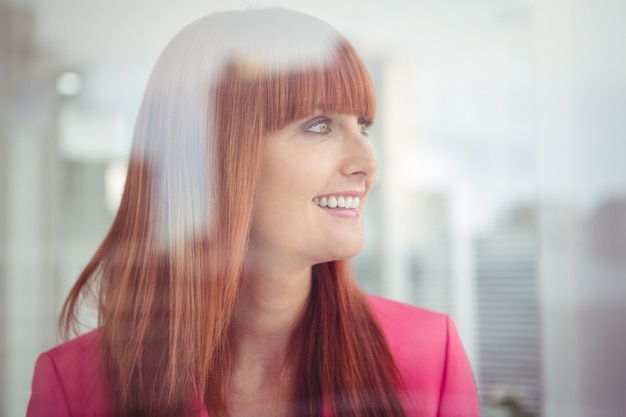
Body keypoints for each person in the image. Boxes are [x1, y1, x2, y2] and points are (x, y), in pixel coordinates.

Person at [26, 8, 480, 417]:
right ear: (210, 157)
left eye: (362, 126)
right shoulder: (74, 387)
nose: (367, 162)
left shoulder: (429, 356)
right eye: (319, 126)